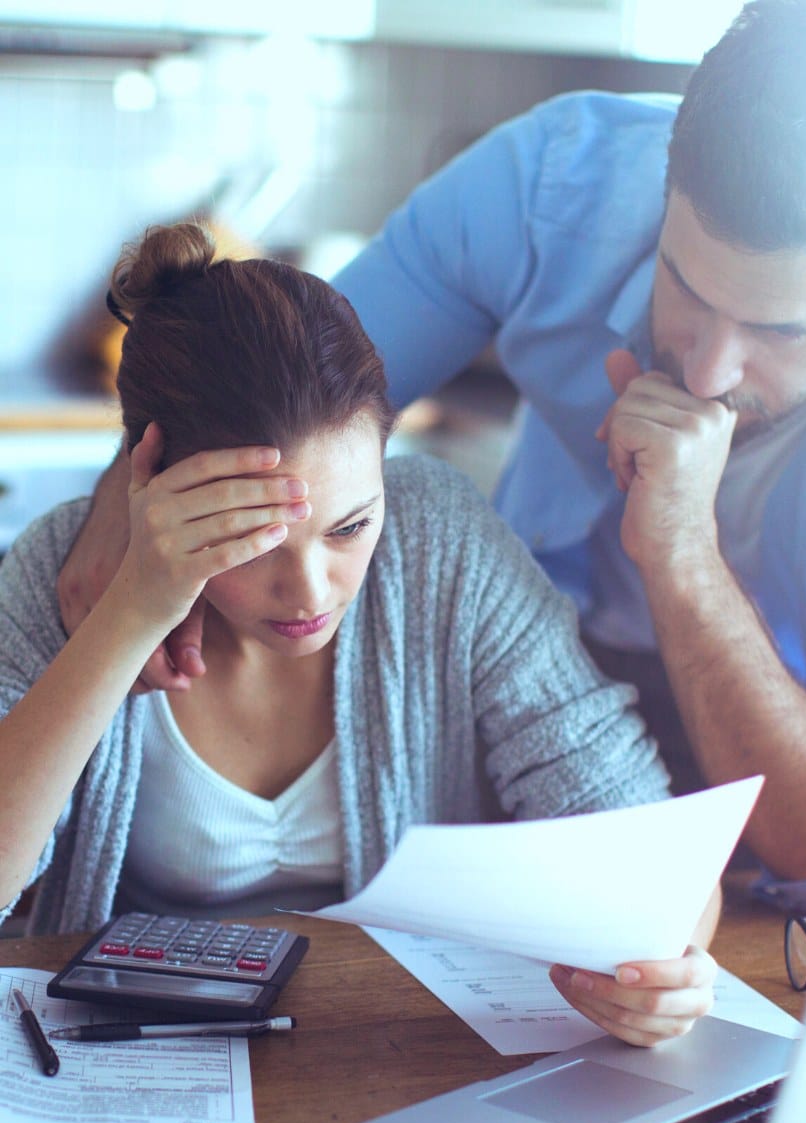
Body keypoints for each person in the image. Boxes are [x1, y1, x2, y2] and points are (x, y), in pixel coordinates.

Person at [58, 0, 806, 915]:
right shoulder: (554, 183)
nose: (704, 371)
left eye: (779, 330)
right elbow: (285, 399)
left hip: (778, 747)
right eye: (685, 287)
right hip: (536, 681)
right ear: (665, 187)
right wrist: (130, 490)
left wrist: (684, 556)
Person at [0, 222, 721, 1047]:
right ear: (153, 488)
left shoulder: (440, 543)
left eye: (349, 527)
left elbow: (640, 834)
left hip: (393, 1051)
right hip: (132, 1058)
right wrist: (128, 615)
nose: (310, 592)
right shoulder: (64, 566)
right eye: (257, 543)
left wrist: (672, 967)